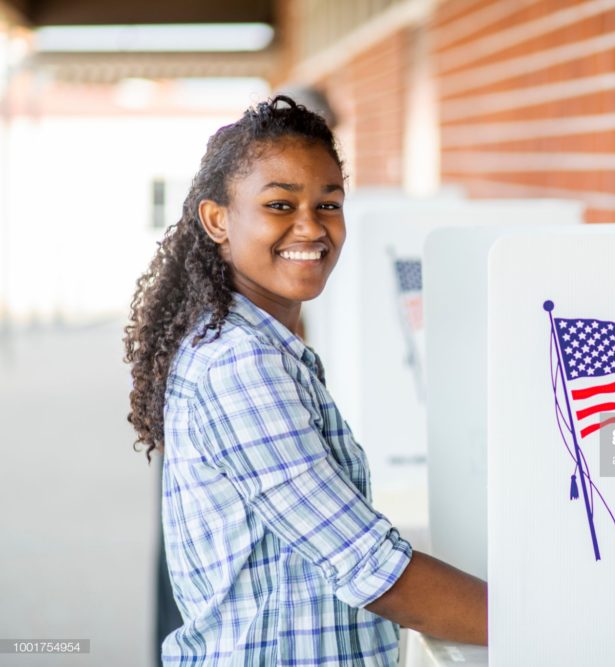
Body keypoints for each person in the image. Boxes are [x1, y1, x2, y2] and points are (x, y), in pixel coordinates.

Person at [123, 95, 487, 665]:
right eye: (279, 204)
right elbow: (372, 568)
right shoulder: (240, 365)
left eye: (328, 203)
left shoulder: (263, 344)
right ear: (217, 219)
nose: (311, 227)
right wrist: (537, 617)